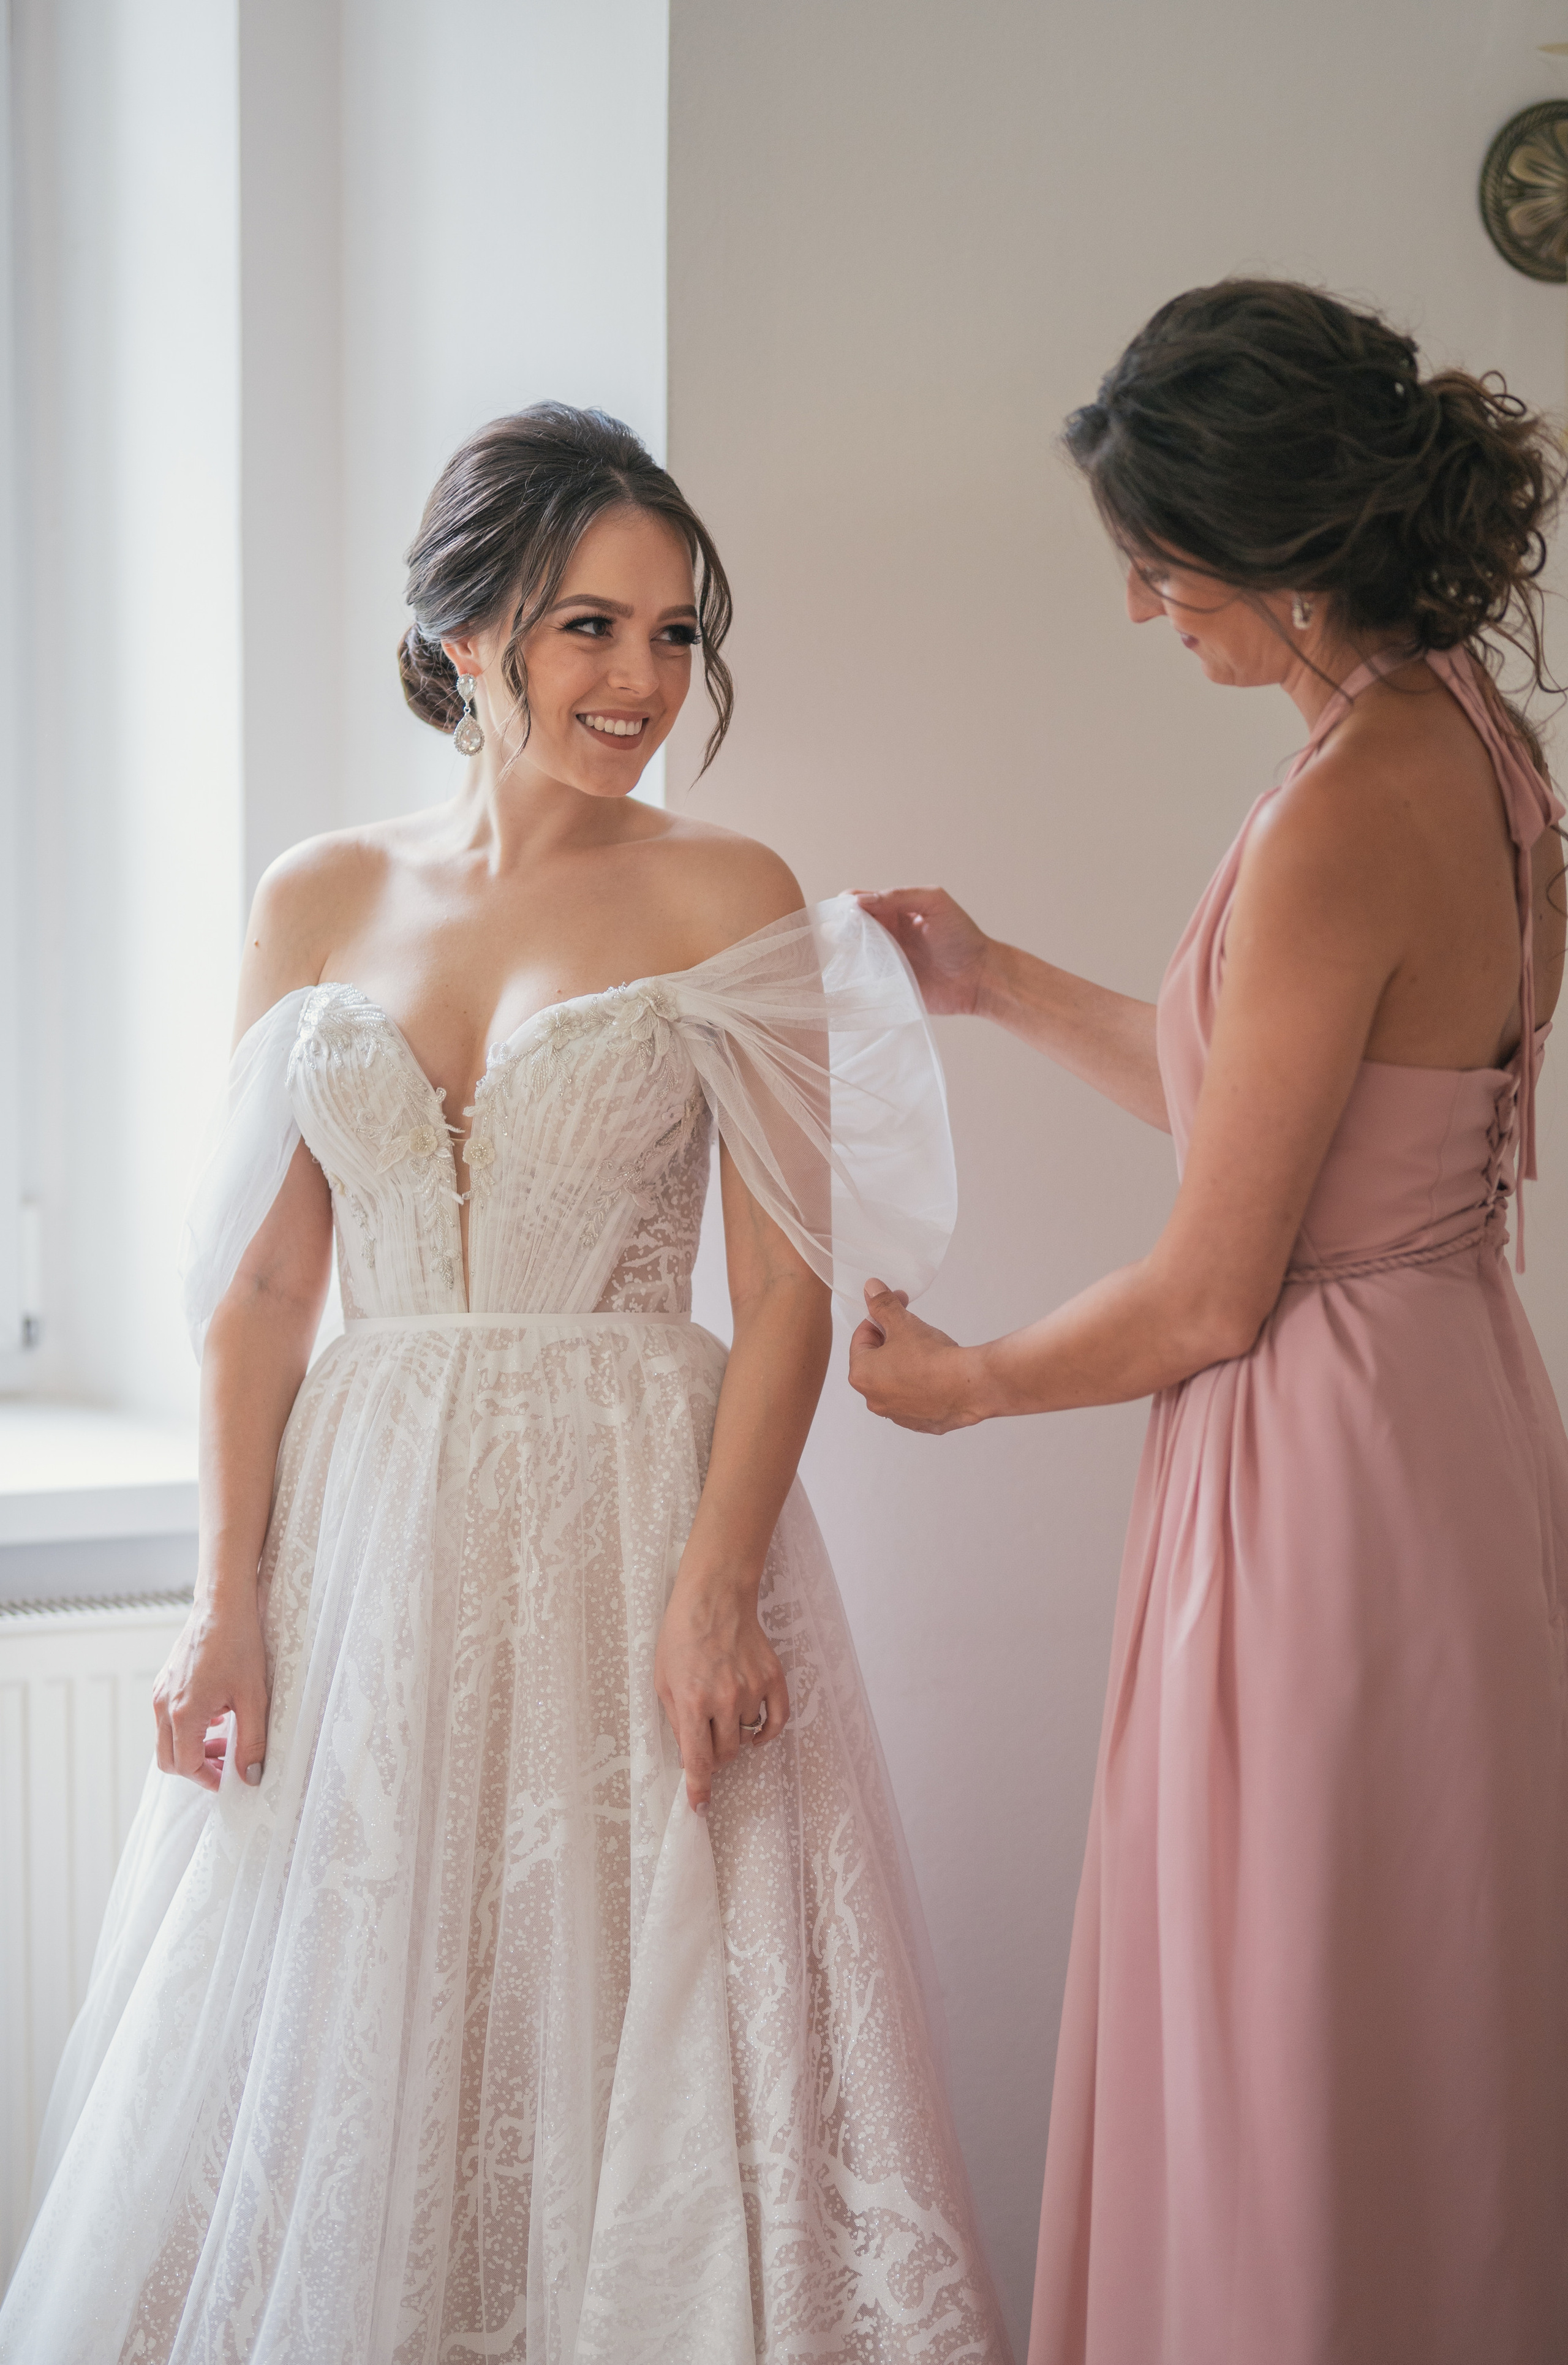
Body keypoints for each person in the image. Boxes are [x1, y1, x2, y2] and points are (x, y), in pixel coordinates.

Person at [0, 405, 1010, 2364]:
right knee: (357, 2030)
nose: (642, 681)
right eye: (590, 630)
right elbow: (267, 1282)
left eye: (675, 637)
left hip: (641, 1520)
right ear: (467, 636)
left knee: (625, 2005)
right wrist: (223, 1598)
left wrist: (718, 1583)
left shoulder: (728, 891)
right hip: (362, 1535)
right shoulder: (313, 897)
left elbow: (787, 1290)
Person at [850, 282, 1568, 2365]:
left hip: (1323, 1459)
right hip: (1449, 1422)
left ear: (1274, 545)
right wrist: (994, 984)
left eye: (1162, 567)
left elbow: (1215, 1279)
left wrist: (969, 1384)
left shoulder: (1349, 808)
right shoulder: (1482, 755)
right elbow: (1275, 1106)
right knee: (1412, 2011)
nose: (1152, 612)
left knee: (1294, 2008)